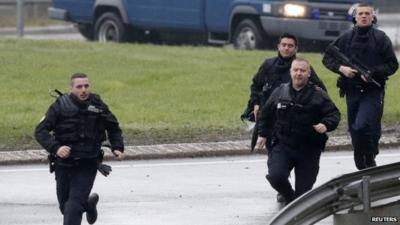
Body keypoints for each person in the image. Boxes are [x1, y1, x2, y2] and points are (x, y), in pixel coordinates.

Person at [35, 73, 125, 225]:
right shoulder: (60, 105)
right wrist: (56, 148)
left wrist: (117, 147)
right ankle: (89, 204)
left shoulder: (97, 104)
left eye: (86, 86)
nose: (83, 90)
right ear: (71, 88)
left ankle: (83, 204)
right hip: (63, 165)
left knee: (72, 208)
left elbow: (113, 127)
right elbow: (40, 131)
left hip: (88, 163)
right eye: (79, 87)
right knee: (65, 207)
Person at [322, 3, 398, 170]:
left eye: (367, 14)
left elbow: (392, 65)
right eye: (360, 13)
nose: (364, 16)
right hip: (352, 90)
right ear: (355, 17)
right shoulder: (345, 38)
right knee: (355, 128)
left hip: (373, 91)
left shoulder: (381, 38)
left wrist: (373, 72)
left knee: (365, 125)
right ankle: (361, 155)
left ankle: (369, 154)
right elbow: (327, 57)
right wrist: (342, 69)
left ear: (373, 17)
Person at [255, 58, 340, 204]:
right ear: (290, 72)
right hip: (283, 145)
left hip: (309, 149)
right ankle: (289, 198)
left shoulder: (318, 94)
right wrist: (262, 134)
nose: (298, 73)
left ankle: (296, 204)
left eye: (302, 70)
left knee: (303, 195)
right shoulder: (280, 91)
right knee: (276, 177)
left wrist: (325, 125)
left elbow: (334, 114)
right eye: (295, 70)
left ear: (309, 73)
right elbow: (266, 114)